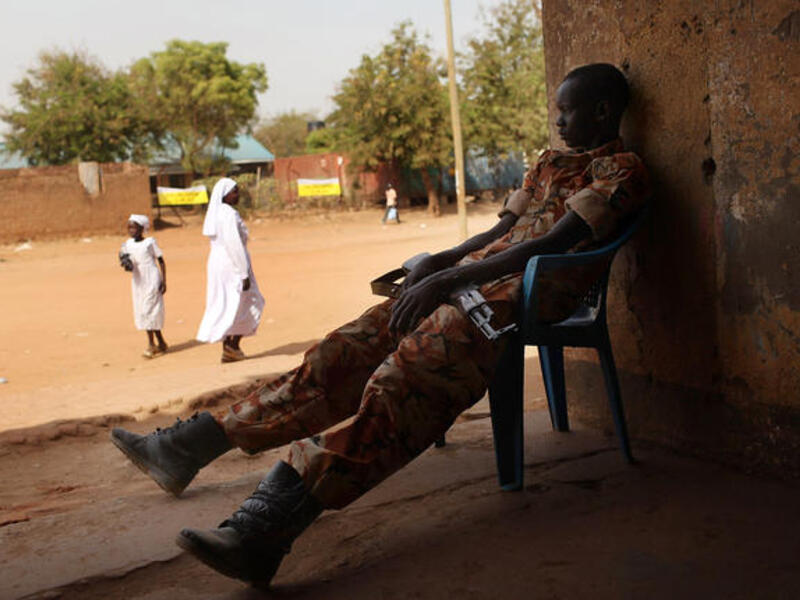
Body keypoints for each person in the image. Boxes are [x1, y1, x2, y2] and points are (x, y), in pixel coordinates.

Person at [110, 63, 649, 587]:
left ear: (603, 112)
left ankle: (263, 530)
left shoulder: (622, 172)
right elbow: (501, 229)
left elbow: (549, 247)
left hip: (513, 302)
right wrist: (441, 263)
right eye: (557, 111)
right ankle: (191, 446)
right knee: (339, 352)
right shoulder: (549, 163)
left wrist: (447, 283)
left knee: (400, 385)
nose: (557, 121)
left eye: (567, 111)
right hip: (468, 283)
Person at [195, 178, 265, 363]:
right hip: (232, 262)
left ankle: (229, 348)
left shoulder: (218, 213)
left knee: (228, 302)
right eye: (234, 191)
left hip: (218, 263)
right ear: (224, 194)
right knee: (251, 300)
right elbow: (234, 245)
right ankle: (232, 346)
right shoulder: (228, 214)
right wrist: (243, 273)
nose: (237, 195)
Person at [119, 214, 167, 358]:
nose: (131, 230)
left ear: (142, 228)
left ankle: (151, 345)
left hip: (151, 277)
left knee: (148, 310)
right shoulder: (127, 244)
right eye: (129, 227)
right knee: (143, 310)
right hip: (138, 280)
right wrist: (124, 261)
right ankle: (161, 342)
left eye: (134, 227)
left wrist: (164, 281)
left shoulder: (150, 243)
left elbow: (161, 261)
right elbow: (124, 257)